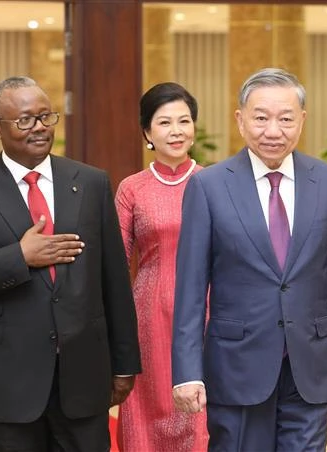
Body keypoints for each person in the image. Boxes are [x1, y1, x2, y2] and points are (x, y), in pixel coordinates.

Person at [0, 76, 141, 451]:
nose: (40, 127)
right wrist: (19, 257)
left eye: (46, 117)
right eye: (26, 120)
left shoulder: (90, 182)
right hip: (3, 386)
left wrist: (124, 363)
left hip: (81, 379)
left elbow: (114, 279)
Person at [171, 68, 327, 451]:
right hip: (236, 367)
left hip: (309, 368)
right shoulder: (209, 186)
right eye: (261, 117)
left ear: (302, 121)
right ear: (240, 120)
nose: (273, 130)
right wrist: (187, 373)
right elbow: (191, 290)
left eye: (285, 118)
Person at [115, 82, 208, 452]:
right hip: (148, 317)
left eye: (184, 121)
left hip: (209, 313)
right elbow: (118, 263)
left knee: (201, 414)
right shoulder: (131, 189)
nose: (176, 131)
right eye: (165, 122)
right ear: (147, 133)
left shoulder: (215, 182)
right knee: (148, 411)